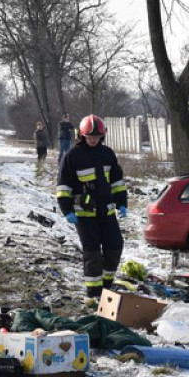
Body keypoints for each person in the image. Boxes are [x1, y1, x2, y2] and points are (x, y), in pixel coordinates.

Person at [56, 115, 128, 304]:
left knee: (115, 246)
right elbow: (63, 185)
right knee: (92, 252)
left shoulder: (107, 154)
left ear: (102, 136)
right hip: (83, 215)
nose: (93, 139)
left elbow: (117, 181)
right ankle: (93, 293)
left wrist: (122, 202)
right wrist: (67, 210)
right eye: (90, 136)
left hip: (107, 211)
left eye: (97, 136)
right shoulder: (72, 156)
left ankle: (106, 285)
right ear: (82, 135)